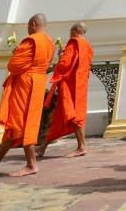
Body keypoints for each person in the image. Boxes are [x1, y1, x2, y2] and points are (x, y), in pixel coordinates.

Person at [0, 14, 55, 177]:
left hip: (25, 84)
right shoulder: (50, 42)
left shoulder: (31, 40)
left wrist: (16, 55)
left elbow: (14, 66)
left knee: (22, 122)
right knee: (15, 125)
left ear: (33, 24)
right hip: (38, 82)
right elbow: (42, 62)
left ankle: (31, 164)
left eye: (29, 26)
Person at [37, 22, 93, 158]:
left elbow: (64, 64)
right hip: (81, 85)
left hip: (70, 86)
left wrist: (60, 57)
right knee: (60, 117)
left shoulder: (74, 43)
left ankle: (81, 146)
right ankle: (42, 148)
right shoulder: (88, 46)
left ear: (75, 31)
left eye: (71, 30)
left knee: (72, 115)